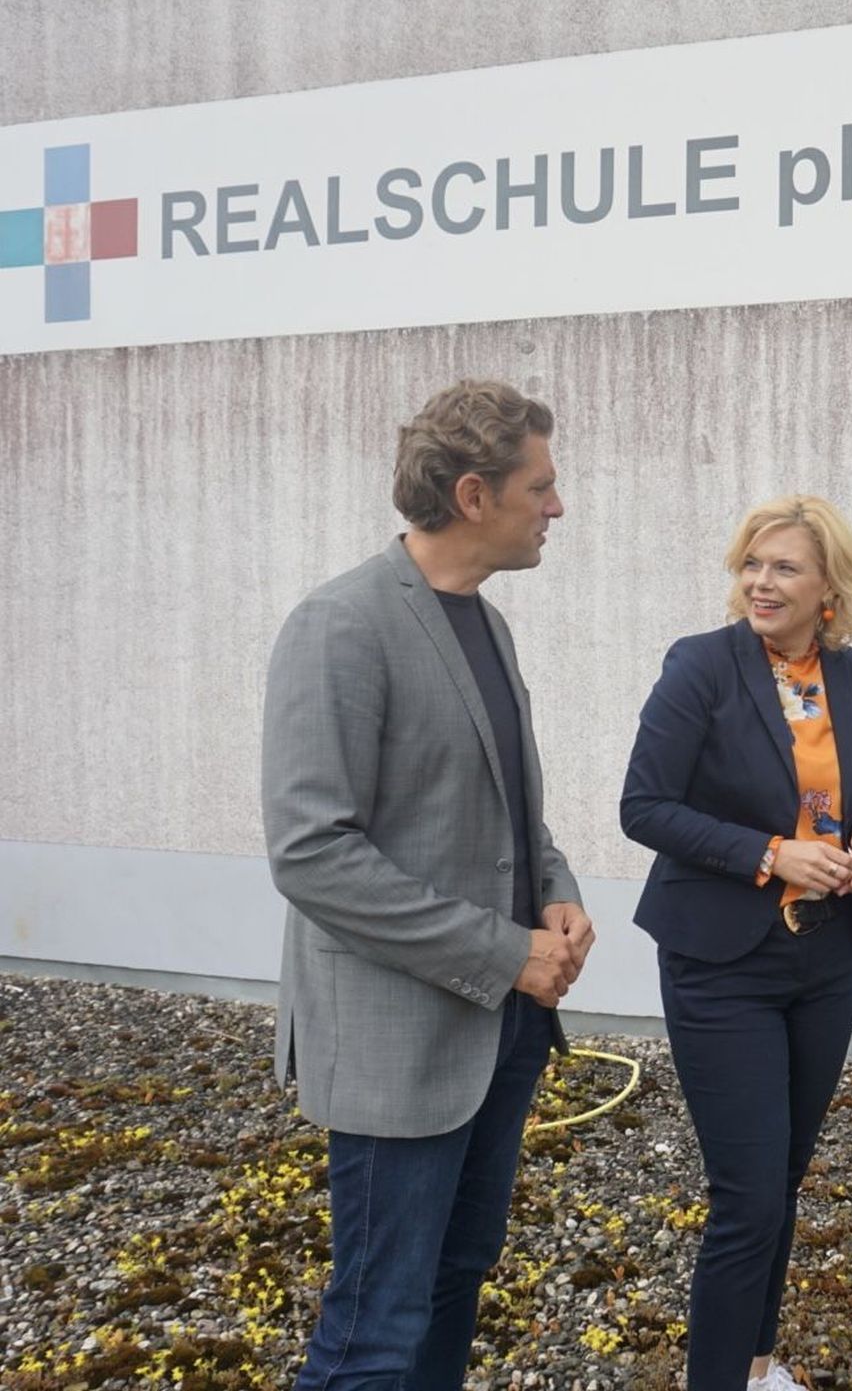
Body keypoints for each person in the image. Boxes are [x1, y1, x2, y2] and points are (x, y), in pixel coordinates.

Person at [262, 379, 595, 1389]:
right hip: (398, 1043)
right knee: (375, 1324)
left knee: (454, 1281)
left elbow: (503, 803)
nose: (557, 506)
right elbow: (312, 851)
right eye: (540, 486)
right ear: (471, 494)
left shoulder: (485, 627)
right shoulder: (341, 627)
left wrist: (556, 887)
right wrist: (507, 952)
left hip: (499, 1031)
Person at [620, 495, 852, 1391]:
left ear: (828, 590)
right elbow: (645, 807)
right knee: (746, 1197)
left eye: (784, 568)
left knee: (783, 1178)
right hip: (722, 962)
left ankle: (757, 1366)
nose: (761, 583)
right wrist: (772, 854)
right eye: (752, 565)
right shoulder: (701, 666)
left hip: (824, 959)